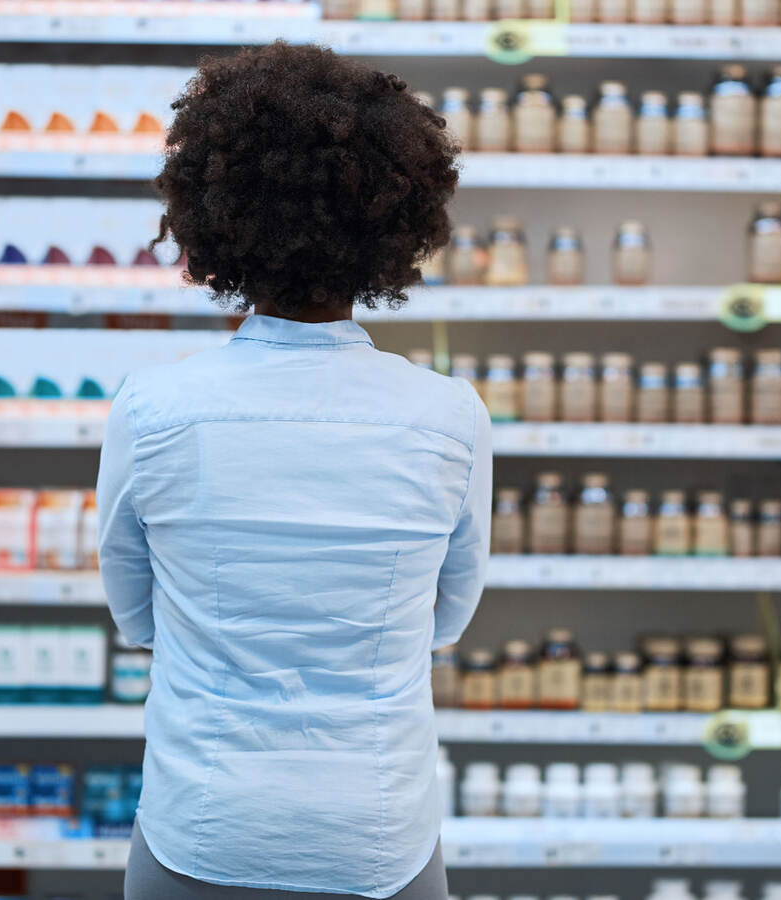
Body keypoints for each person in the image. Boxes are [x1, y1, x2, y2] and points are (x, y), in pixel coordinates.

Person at [97, 41, 493, 900]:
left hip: (200, 829)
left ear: (211, 217)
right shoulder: (449, 416)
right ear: (396, 226)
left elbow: (138, 615)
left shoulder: (153, 409)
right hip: (380, 839)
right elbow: (446, 616)